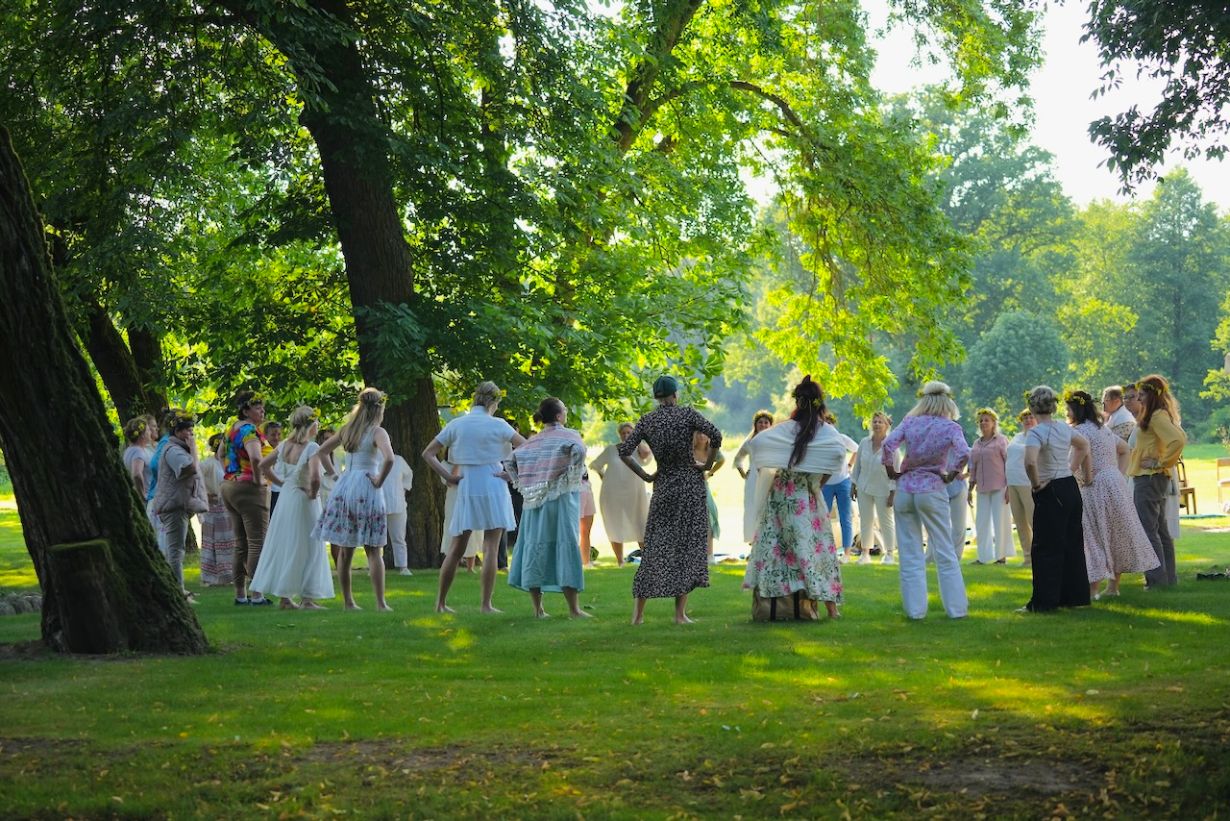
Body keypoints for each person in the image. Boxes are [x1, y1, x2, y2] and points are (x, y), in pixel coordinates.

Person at [618, 375, 722, 625]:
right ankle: (679, 614)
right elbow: (716, 436)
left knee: (654, 546)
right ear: (675, 395)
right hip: (689, 484)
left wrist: (646, 475)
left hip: (663, 484)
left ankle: (638, 616)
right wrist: (705, 465)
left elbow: (624, 451)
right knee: (686, 547)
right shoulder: (688, 415)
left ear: (656, 396)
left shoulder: (648, 420)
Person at [741, 376, 846, 619]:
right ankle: (830, 608)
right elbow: (837, 456)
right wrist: (817, 483)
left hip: (780, 497)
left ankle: (775, 606)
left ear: (798, 402)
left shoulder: (784, 429)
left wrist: (768, 469)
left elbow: (758, 446)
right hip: (804, 498)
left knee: (777, 550)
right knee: (814, 551)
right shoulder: (825, 432)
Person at [423, 381, 527, 613]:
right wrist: (512, 473)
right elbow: (527, 447)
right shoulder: (498, 425)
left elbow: (428, 453)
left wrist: (448, 476)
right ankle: (485, 604)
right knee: (491, 547)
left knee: (457, 546)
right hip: (494, 482)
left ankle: (440, 603)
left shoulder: (457, 424)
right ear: (494, 402)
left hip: (468, 484)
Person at [881, 381, 969, 620]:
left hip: (906, 489)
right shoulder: (950, 427)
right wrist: (951, 473)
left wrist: (891, 471)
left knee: (909, 553)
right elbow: (963, 452)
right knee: (944, 549)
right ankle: (957, 610)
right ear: (947, 403)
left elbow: (888, 444)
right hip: (932, 488)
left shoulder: (910, 422)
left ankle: (915, 611)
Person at [1066, 391, 1159, 598]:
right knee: (1115, 534)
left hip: (1095, 486)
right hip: (1114, 482)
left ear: (1076, 410)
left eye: (1069, 409)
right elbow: (1125, 449)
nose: (1067, 412)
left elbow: (1085, 454)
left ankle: (1093, 590)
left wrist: (1088, 478)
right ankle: (1113, 587)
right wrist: (1120, 474)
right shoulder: (1103, 430)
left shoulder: (1080, 431)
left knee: (1094, 535)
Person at [505, 397, 590, 618]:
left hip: (534, 503)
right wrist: (571, 475)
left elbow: (510, 461)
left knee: (534, 547)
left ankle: (538, 610)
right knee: (567, 545)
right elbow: (579, 452)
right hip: (561, 500)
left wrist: (524, 483)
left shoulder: (533, 441)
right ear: (560, 415)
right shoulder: (569, 435)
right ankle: (574, 609)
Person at [312, 388, 395, 611]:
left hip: (345, 486)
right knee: (374, 549)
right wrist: (378, 480)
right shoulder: (378, 432)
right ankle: (380, 603)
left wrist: (335, 475)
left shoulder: (348, 430)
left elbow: (321, 452)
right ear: (379, 408)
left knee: (346, 548)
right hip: (367, 485)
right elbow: (390, 459)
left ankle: (349, 602)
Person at [252, 406, 334, 609]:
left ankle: (286, 598)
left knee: (287, 545)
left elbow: (263, 466)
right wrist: (313, 494)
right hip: (303, 500)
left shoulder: (283, 445)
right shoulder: (312, 447)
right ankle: (307, 598)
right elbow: (315, 477)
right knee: (309, 547)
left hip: (286, 498)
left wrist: (281, 482)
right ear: (311, 425)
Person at [1021, 385, 1093, 612]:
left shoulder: (1036, 433)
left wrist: (1035, 485)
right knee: (1072, 543)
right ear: (1053, 406)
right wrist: (1070, 468)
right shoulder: (1063, 427)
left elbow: (1030, 462)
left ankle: (1044, 603)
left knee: (1045, 547)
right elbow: (1084, 445)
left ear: (1032, 406)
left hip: (1050, 488)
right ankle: (1075, 598)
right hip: (1069, 488)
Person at [1128, 375, 1186, 589]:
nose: (1139, 399)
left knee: (1147, 530)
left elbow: (1178, 440)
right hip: (1152, 478)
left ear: (1151, 395)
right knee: (1160, 530)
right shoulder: (1158, 414)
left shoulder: (1157, 416)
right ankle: (1168, 579)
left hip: (1150, 478)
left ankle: (1156, 580)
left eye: (1142, 395)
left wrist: (1159, 462)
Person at [220, 391, 272, 606]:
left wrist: (231, 472)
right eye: (257, 407)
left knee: (241, 543)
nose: (262, 410)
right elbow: (256, 457)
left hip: (229, 486)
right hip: (249, 488)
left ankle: (240, 595)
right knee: (257, 542)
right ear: (245, 410)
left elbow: (219, 454)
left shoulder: (231, 429)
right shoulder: (250, 431)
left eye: (262, 406)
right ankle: (257, 595)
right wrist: (259, 480)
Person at [152, 410, 207, 602]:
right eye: (186, 430)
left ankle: (177, 590)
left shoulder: (177, 448)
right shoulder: (173, 450)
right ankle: (178, 592)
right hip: (173, 507)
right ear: (176, 430)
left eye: (191, 429)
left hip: (178, 505)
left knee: (176, 550)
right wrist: (194, 449)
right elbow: (189, 468)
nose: (190, 433)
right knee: (175, 551)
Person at [589, 423, 651, 566]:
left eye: (629, 432)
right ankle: (620, 561)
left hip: (635, 492)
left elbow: (647, 456)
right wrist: (603, 476)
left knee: (640, 523)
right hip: (613, 492)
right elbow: (596, 464)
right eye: (623, 433)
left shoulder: (638, 450)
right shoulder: (611, 450)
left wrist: (639, 439)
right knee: (615, 523)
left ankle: (647, 560)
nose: (626, 435)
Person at [849, 411, 899, 565]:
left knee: (886, 521)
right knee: (866, 520)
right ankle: (865, 553)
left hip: (884, 489)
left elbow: (895, 471)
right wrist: (853, 484)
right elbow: (857, 467)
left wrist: (892, 494)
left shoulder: (892, 447)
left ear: (887, 426)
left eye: (880, 422)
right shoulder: (864, 442)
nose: (876, 424)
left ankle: (889, 553)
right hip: (864, 487)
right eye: (875, 421)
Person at [968, 408, 1012, 565]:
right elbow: (972, 466)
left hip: (1000, 486)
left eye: (986, 420)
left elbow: (1009, 463)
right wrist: (970, 488)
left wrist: (1009, 488)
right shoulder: (976, 443)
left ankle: (1001, 557)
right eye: (981, 420)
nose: (983, 423)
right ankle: (983, 557)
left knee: (1000, 521)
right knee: (981, 523)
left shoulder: (1001, 440)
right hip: (982, 488)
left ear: (994, 423)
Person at [732, 411, 775, 545]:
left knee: (769, 507)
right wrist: (744, 474)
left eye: (766, 422)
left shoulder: (774, 440)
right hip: (753, 479)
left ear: (770, 425)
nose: (763, 425)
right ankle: (753, 540)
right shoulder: (750, 442)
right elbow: (738, 459)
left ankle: (768, 539)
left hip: (770, 477)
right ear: (755, 425)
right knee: (752, 507)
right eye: (760, 422)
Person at [198, 432, 236, 587]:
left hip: (228, 506)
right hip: (213, 508)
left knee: (228, 541)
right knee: (212, 541)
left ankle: (228, 574)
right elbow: (196, 480)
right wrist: (206, 495)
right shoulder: (208, 464)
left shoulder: (229, 463)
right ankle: (211, 576)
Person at [820, 413, 858, 560]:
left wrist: (849, 465)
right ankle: (824, 551)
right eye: (824, 423)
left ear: (834, 425)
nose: (827, 426)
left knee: (845, 518)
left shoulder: (841, 438)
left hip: (843, 482)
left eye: (830, 423)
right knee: (823, 518)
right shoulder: (819, 441)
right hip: (826, 484)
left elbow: (857, 449)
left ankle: (847, 553)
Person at [1004, 409, 1037, 566]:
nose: (1028, 419)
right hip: (1012, 483)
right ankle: (1027, 558)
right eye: (1025, 417)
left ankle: (1040, 556)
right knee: (1020, 523)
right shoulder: (1017, 437)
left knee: (1033, 521)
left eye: (1031, 417)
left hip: (1028, 483)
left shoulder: (1037, 436)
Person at [694, 432, 725, 563]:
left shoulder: (712, 451)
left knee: (709, 517)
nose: (702, 436)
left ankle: (709, 556)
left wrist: (710, 473)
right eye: (699, 434)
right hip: (686, 488)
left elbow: (722, 460)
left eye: (705, 434)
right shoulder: (689, 449)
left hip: (702, 487)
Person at [382, 452, 415, 576]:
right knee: (374, 539)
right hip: (377, 504)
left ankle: (403, 566)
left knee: (399, 537)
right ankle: (373, 566)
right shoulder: (372, 459)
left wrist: (404, 489)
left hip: (398, 503)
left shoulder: (399, 460)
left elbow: (408, 474)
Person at [121, 416, 155, 502]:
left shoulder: (129, 450)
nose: (150, 432)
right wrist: (144, 496)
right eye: (148, 430)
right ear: (142, 435)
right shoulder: (138, 452)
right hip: (149, 500)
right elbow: (136, 474)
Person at [263, 421, 284, 514]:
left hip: (282, 490)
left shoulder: (284, 448)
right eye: (272, 435)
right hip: (268, 490)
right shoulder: (262, 449)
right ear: (266, 436)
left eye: (279, 434)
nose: (276, 437)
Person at [579, 473, 596, 568]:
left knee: (586, 531)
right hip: (574, 489)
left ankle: (586, 562)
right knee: (572, 531)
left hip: (586, 486)